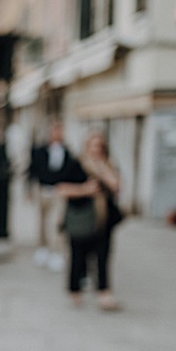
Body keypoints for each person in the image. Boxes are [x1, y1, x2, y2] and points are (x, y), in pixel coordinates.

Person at [59, 129, 122, 310]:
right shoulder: (75, 164)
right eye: (93, 145)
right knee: (78, 256)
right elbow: (61, 189)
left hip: (103, 220)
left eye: (100, 146)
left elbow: (117, 186)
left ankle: (104, 293)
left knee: (103, 256)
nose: (97, 149)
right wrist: (84, 190)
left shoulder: (107, 165)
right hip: (81, 217)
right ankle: (75, 290)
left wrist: (101, 169)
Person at [28, 120, 80, 271]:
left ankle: (56, 251)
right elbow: (33, 170)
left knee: (56, 223)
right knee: (42, 221)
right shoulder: (39, 151)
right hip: (42, 189)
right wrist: (31, 190)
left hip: (59, 191)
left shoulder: (67, 152)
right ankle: (42, 248)